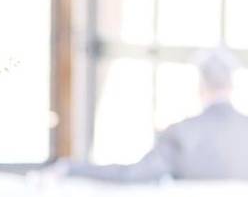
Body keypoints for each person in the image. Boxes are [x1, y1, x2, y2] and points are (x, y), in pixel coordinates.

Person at [65, 50, 248, 182]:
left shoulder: (181, 134)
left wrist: (72, 169)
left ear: (200, 87)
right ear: (232, 85)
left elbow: (132, 175)